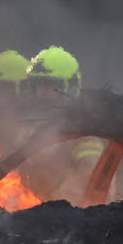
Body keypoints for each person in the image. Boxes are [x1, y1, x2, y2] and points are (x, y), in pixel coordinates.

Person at [19, 45, 105, 200]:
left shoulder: (81, 132)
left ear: (69, 87)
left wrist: (50, 207)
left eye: (48, 84)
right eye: (38, 84)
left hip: (70, 218)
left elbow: (90, 175)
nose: (41, 92)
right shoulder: (33, 130)